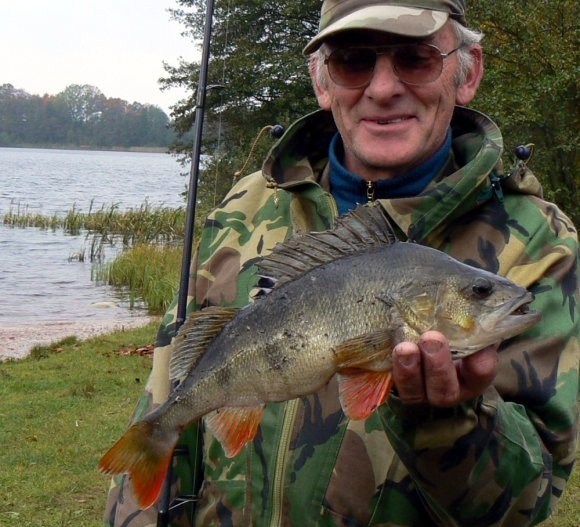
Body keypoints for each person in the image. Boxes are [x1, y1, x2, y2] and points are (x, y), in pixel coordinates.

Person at [104, 1, 579, 525]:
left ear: (467, 73)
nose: (382, 88)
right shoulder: (243, 211)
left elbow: (526, 504)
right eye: (353, 61)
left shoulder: (540, 246)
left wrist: (449, 419)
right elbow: (169, 399)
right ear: (322, 82)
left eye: (416, 58)